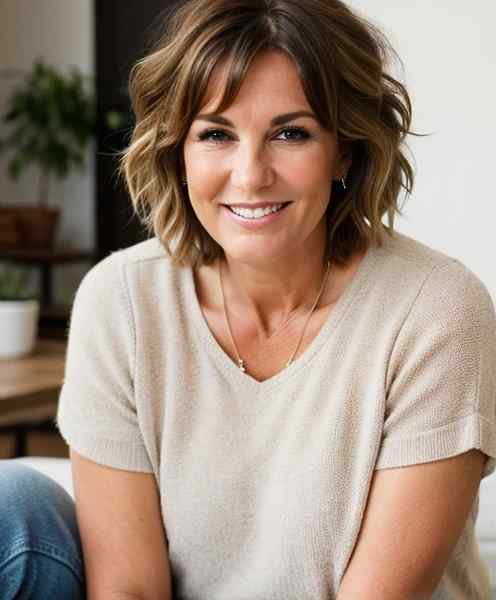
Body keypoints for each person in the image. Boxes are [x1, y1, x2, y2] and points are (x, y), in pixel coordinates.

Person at [1, 0, 495, 598]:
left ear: (344, 150)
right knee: (13, 504)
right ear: (177, 151)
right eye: (216, 133)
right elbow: (129, 587)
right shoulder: (122, 301)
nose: (251, 174)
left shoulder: (435, 308)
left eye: (291, 133)